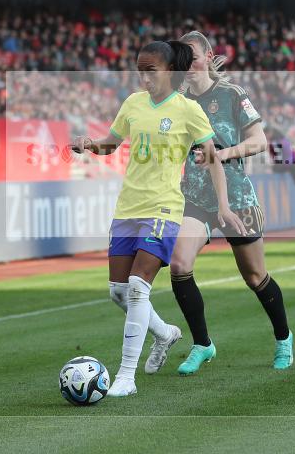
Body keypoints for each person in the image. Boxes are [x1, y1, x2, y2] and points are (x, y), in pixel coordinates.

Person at [71, 40, 246, 397]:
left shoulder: (188, 110)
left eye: (150, 70)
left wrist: (224, 207)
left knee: (137, 288)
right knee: (118, 292)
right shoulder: (133, 103)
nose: (144, 76)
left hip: (164, 208)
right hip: (128, 208)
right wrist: (91, 144)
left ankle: (125, 377)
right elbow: (112, 143)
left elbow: (213, 159)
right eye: (140, 69)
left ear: (170, 71)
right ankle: (165, 333)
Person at [170, 31, 294, 376]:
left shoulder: (231, 94)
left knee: (255, 276)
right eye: (181, 58)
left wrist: (222, 153)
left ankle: (283, 338)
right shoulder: (177, 100)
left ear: (209, 57)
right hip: (194, 196)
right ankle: (202, 344)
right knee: (179, 265)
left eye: (192, 56)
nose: (187, 64)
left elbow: (259, 141)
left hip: (236, 195)